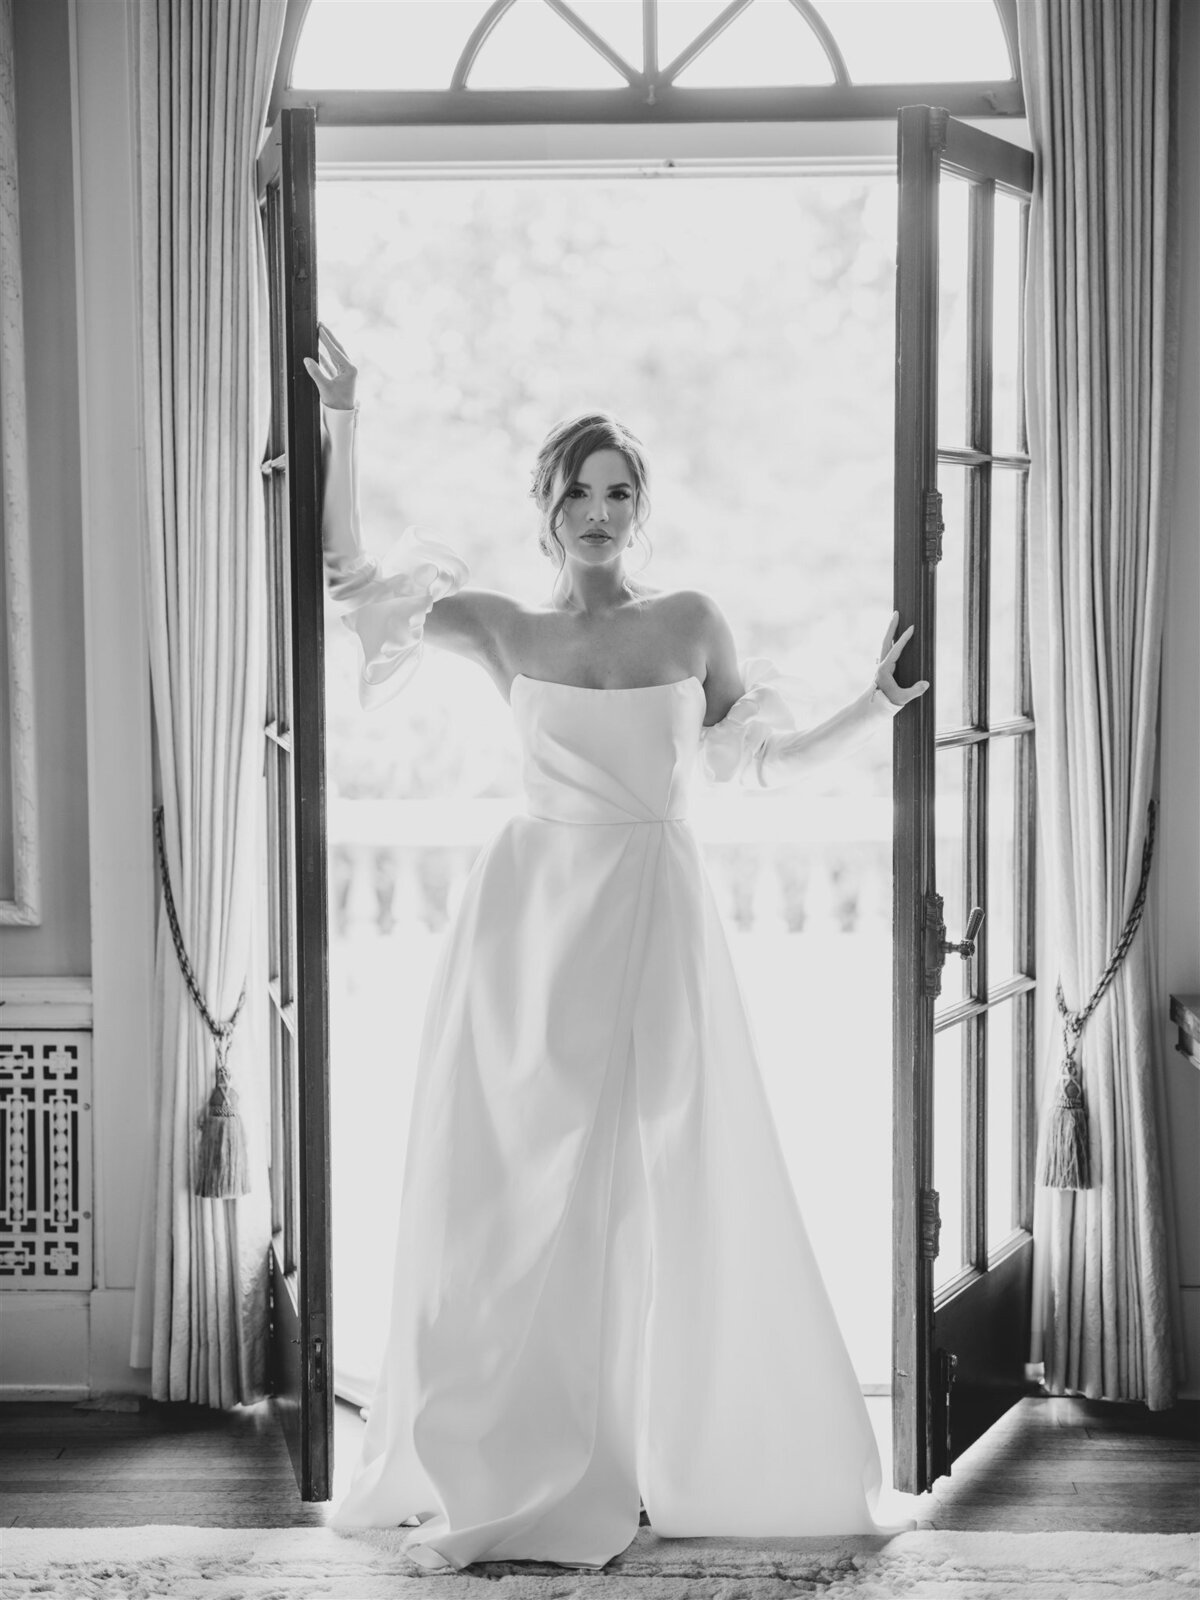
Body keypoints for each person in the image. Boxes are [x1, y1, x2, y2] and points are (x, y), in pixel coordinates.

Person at [305, 323, 927, 1569]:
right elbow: (342, 578)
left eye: (620, 490)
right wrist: (348, 420)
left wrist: (873, 707)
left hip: (657, 909)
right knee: (516, 1195)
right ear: (544, 506)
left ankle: (656, 1449)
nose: (600, 510)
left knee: (665, 1179)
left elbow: (758, 753)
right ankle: (513, 1447)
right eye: (579, 490)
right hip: (529, 928)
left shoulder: (691, 620)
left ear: (642, 508)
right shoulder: (498, 628)